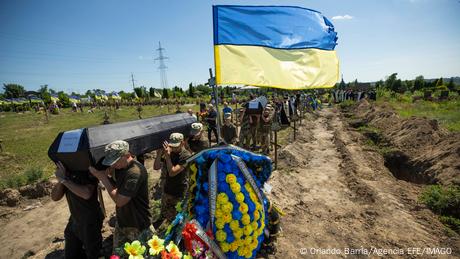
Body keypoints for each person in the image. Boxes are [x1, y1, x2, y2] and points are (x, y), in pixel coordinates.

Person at [89, 140, 151, 250]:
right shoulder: (120, 167)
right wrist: (108, 175)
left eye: (115, 161)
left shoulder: (134, 172)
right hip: (123, 220)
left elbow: (120, 201)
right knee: (118, 253)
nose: (113, 164)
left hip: (137, 223)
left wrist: (102, 177)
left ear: (127, 155)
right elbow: (117, 186)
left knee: (142, 254)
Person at [51, 161, 103, 259]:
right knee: (71, 254)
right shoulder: (67, 173)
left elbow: (86, 193)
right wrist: (61, 180)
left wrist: (65, 180)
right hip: (75, 219)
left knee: (94, 253)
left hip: (90, 220)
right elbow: (55, 197)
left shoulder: (87, 169)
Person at [153, 133, 191, 227]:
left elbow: (172, 172)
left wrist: (167, 156)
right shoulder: (169, 151)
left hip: (179, 191)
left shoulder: (185, 155)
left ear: (182, 143)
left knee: (176, 220)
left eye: (176, 146)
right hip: (167, 189)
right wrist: (159, 154)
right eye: (172, 146)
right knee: (163, 215)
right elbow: (156, 167)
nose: (173, 149)